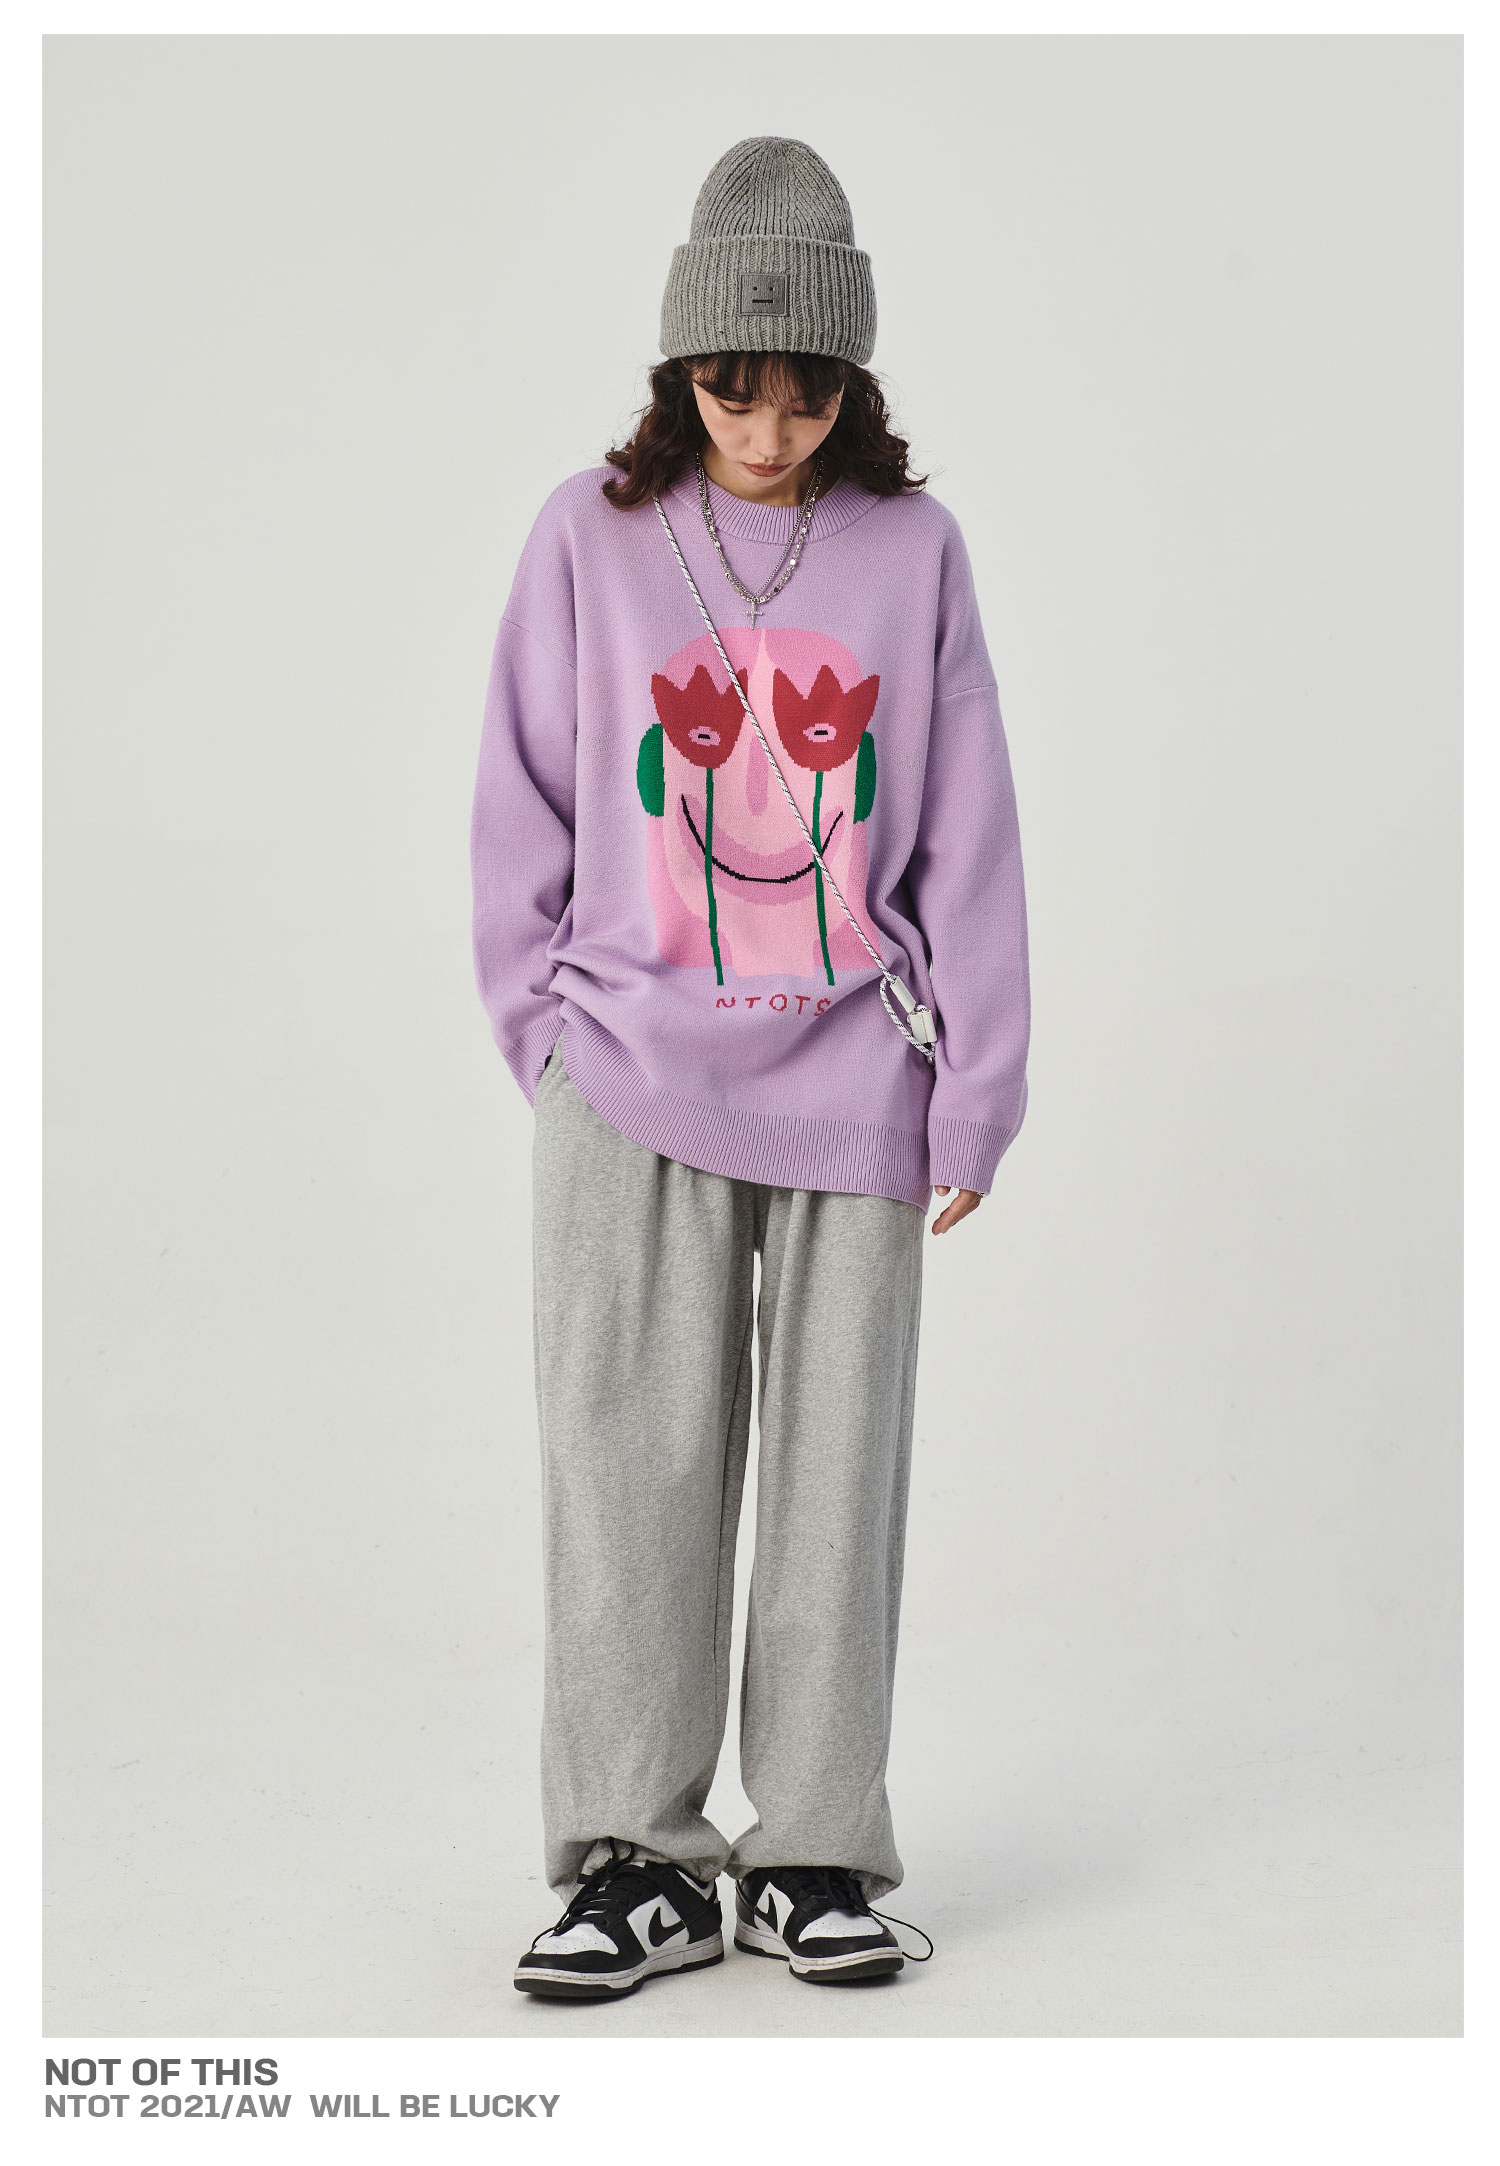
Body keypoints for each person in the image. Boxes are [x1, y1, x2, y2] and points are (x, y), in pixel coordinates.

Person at [470, 137, 1030, 2000]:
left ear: (852, 378)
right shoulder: (586, 533)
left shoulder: (916, 553)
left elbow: (970, 830)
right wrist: (546, 1031)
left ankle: (812, 1852)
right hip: (623, 1072)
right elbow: (518, 792)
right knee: (625, 1472)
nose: (771, 430)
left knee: (835, 1488)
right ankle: (634, 1858)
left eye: (806, 393)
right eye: (733, 389)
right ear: (678, 370)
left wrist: (981, 1082)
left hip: (861, 1070)